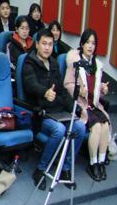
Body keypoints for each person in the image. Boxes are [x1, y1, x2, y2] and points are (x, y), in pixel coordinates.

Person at [23, 31, 85, 190]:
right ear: (37, 44)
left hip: (58, 111)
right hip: (40, 113)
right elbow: (30, 85)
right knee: (59, 129)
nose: (47, 48)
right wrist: (45, 92)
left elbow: (62, 91)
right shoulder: (29, 62)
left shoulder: (54, 63)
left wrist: (76, 109)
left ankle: (65, 167)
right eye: (44, 44)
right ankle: (41, 169)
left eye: (50, 44)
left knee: (80, 127)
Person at [64, 30, 112, 182]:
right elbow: (67, 84)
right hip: (81, 105)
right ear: (82, 44)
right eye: (87, 43)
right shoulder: (75, 62)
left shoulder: (96, 64)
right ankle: (92, 163)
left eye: (93, 43)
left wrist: (102, 88)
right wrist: (79, 91)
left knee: (105, 125)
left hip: (94, 104)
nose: (90, 46)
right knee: (96, 126)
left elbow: (95, 88)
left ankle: (101, 161)